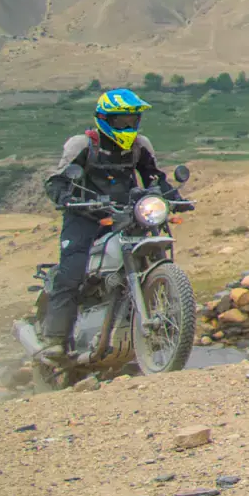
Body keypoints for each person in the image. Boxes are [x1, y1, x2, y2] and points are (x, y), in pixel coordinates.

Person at [37, 87, 171, 362]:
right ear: (105, 119)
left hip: (125, 215)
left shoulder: (140, 146)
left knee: (149, 256)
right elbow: (57, 180)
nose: (128, 126)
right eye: (121, 120)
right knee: (72, 271)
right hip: (84, 216)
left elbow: (155, 179)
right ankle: (55, 340)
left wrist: (175, 199)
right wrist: (65, 197)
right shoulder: (83, 145)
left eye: (132, 120)